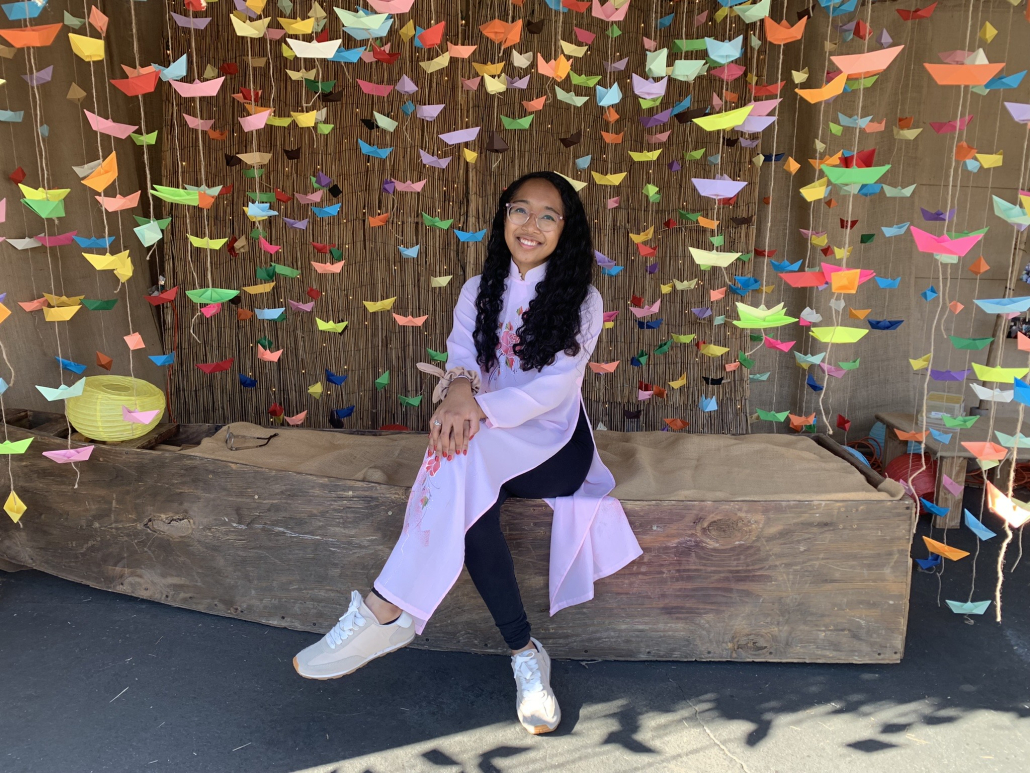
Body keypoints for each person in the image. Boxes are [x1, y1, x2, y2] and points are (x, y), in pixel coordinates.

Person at [293, 171, 642, 734]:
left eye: (548, 216)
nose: (531, 225)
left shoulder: (583, 299)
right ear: (503, 215)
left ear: (566, 229)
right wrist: (458, 390)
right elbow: (464, 356)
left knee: (459, 456)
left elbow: (552, 390)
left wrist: (475, 410)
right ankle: (525, 654)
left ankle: (387, 608)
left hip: (552, 445)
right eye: (520, 210)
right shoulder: (478, 290)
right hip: (485, 440)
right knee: (466, 488)